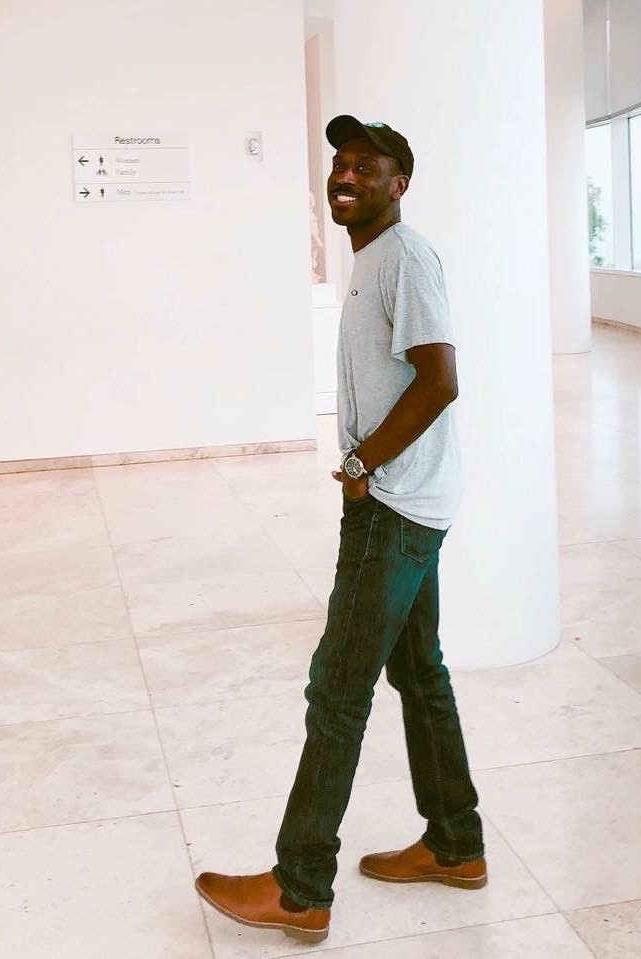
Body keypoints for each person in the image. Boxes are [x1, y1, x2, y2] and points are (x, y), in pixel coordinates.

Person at [194, 115, 486, 946]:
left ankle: (299, 888)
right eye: (340, 164)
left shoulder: (407, 258)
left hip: (392, 506)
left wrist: (363, 464)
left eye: (366, 165)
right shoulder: (373, 259)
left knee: (338, 688)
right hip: (408, 499)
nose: (346, 175)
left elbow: (440, 379)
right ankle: (456, 843)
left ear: (401, 183)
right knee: (419, 673)